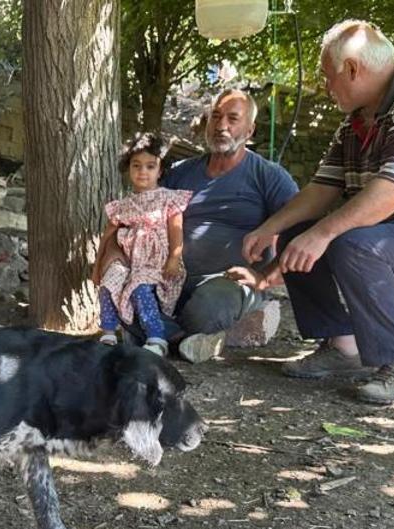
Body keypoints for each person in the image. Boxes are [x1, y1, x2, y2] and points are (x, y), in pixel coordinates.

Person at [237, 20, 394, 404]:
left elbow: (388, 194)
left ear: (353, 69)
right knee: (297, 235)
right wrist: (271, 228)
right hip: (391, 237)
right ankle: (344, 346)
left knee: (349, 243)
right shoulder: (355, 122)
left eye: (329, 77)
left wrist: (323, 234)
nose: (326, 88)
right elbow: (322, 189)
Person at [105, 89, 299, 362]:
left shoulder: (269, 176)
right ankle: (186, 341)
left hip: (227, 281)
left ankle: (162, 334)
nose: (221, 126)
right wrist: (114, 253)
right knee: (121, 289)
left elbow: (300, 232)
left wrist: (265, 277)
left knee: (207, 309)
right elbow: (136, 212)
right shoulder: (181, 172)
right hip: (167, 274)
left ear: (250, 130)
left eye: (233, 119)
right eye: (216, 117)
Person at [92, 133, 193, 357]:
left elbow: (176, 229)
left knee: (139, 285)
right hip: (131, 262)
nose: (142, 172)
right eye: (136, 165)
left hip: (158, 263)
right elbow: (108, 235)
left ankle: (156, 337)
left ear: (160, 170)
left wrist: (174, 258)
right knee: (110, 281)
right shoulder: (123, 205)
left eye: (150, 166)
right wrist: (98, 265)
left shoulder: (168, 199)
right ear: (128, 169)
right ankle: (109, 330)